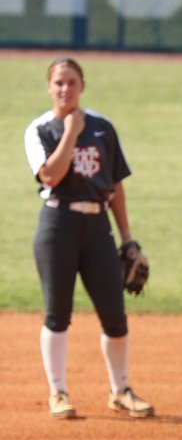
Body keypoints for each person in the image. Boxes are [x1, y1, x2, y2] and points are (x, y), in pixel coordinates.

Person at [23, 57, 154, 420]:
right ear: (49, 87)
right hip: (57, 226)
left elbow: (114, 186)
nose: (65, 89)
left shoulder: (103, 127)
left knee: (115, 315)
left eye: (72, 82)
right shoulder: (40, 130)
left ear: (82, 85)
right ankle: (59, 392)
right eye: (58, 83)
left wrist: (126, 237)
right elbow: (50, 176)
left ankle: (121, 390)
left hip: (98, 229)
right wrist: (70, 131)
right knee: (57, 314)